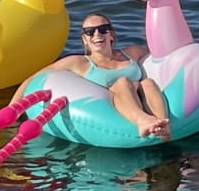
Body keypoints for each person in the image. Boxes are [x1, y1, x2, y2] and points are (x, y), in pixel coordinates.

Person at [10, 12, 171, 140]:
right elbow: (32, 79)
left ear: (111, 35)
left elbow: (163, 57)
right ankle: (143, 121)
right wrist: (12, 110)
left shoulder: (132, 53)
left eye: (103, 29)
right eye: (89, 32)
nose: (97, 34)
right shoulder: (78, 62)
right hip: (114, 107)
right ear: (85, 40)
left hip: (143, 97)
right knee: (122, 82)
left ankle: (162, 125)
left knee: (148, 82)